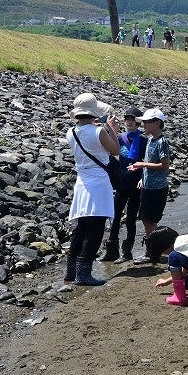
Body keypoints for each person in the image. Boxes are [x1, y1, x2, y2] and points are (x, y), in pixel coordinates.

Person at [65, 92, 122, 287]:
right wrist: (111, 129)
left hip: (81, 182)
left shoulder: (71, 132)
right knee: (96, 229)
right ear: (93, 112)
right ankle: (84, 274)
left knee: (81, 228)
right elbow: (116, 150)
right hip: (98, 182)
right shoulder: (98, 131)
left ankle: (70, 271)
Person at [103, 107, 147, 263]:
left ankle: (127, 252)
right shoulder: (120, 138)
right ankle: (111, 250)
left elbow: (147, 162)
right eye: (127, 119)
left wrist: (143, 177)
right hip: (121, 183)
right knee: (114, 216)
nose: (130, 122)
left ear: (138, 123)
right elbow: (108, 149)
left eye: (133, 120)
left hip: (136, 185)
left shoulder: (143, 140)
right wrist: (110, 129)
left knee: (130, 219)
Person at [130, 108, 172, 244]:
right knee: (145, 219)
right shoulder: (150, 140)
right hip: (148, 186)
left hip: (157, 188)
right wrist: (143, 176)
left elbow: (165, 165)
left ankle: (154, 249)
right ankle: (155, 247)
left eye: (147, 122)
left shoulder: (161, 142)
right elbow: (149, 161)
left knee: (150, 221)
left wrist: (143, 165)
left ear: (157, 123)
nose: (144, 125)